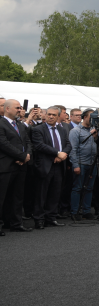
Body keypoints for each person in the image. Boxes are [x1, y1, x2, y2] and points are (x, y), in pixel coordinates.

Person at [31, 106, 71, 229]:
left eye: (54, 115)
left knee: (55, 193)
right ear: (45, 115)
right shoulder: (38, 129)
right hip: (45, 165)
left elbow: (68, 144)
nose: (51, 116)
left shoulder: (62, 129)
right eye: (49, 114)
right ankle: (39, 219)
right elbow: (39, 145)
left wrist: (62, 155)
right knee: (41, 194)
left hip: (59, 165)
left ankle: (51, 218)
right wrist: (57, 153)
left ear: (58, 116)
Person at [0, 99, 33, 234]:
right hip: (6, 166)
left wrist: (27, 155)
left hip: (21, 166)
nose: (20, 110)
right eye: (17, 108)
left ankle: (16, 223)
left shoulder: (19, 124)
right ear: (7, 109)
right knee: (2, 197)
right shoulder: (1, 123)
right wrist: (21, 156)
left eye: (20, 108)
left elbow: (27, 141)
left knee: (17, 196)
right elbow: (3, 143)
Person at [68, 108, 98, 221]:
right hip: (81, 163)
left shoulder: (95, 130)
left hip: (92, 163)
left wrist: (95, 137)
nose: (93, 120)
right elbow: (73, 149)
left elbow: (97, 146)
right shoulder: (76, 131)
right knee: (77, 188)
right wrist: (75, 165)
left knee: (89, 188)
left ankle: (86, 211)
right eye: (91, 117)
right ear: (84, 117)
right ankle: (74, 211)